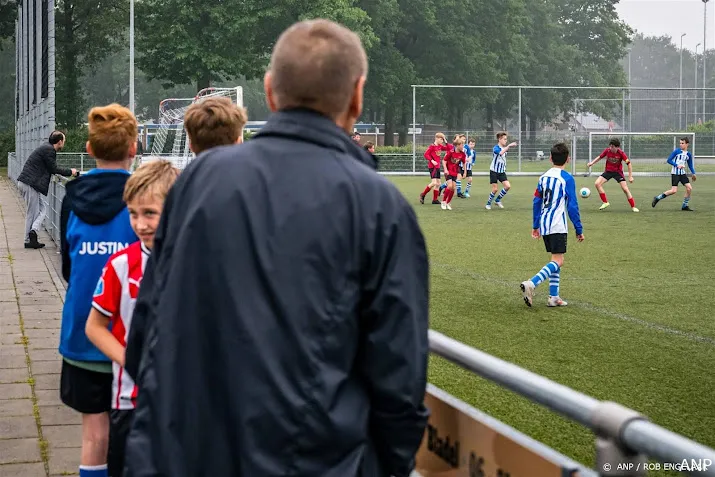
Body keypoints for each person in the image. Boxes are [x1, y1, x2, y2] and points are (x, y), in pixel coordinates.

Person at [123, 19, 430, 477]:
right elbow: (399, 380)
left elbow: (146, 333)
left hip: (178, 454)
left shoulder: (197, 182)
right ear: (357, 95)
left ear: (269, 91)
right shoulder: (380, 207)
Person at [59, 104, 140, 477]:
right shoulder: (144, 202)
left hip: (81, 334)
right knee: (132, 436)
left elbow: (67, 267)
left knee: (94, 435)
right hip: (131, 341)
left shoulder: (72, 198)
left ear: (89, 149)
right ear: (134, 149)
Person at [85, 160, 179, 477]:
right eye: (133, 214)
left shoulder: (194, 262)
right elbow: (95, 327)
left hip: (182, 402)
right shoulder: (120, 265)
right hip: (130, 400)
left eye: (150, 213)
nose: (140, 224)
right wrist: (131, 359)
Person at [521, 143, 584, 308]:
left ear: (550, 158)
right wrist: (579, 229)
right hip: (557, 224)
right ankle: (532, 283)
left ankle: (554, 297)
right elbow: (572, 206)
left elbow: (536, 201)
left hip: (544, 222)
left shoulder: (543, 177)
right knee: (558, 260)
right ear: (568, 159)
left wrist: (535, 225)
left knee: (557, 258)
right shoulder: (567, 178)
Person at [16, 131, 78, 248]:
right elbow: (53, 168)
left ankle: (32, 233)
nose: (64, 143)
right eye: (64, 141)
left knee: (42, 210)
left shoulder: (46, 148)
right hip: (30, 184)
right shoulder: (49, 150)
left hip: (28, 183)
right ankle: (29, 239)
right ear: (59, 142)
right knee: (33, 212)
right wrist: (71, 172)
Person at [586, 138, 639, 212]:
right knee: (597, 183)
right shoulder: (607, 151)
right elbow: (600, 157)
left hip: (618, 172)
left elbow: (629, 164)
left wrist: (630, 176)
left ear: (617, 147)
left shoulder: (621, 153)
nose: (611, 148)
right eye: (610, 146)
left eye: (612, 147)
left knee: (625, 189)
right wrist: (592, 163)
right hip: (608, 171)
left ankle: (633, 207)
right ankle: (605, 202)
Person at [652, 137, 697, 211]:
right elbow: (669, 160)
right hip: (675, 173)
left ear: (687, 144)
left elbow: (690, 165)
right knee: (673, 191)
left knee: (689, 188)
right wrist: (677, 165)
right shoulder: (676, 151)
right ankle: (657, 198)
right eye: (680, 143)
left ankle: (684, 206)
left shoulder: (688, 154)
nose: (681, 145)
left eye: (682, 143)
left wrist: (694, 173)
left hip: (682, 174)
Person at [486, 132, 517, 210]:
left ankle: (497, 200)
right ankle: (488, 203)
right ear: (499, 139)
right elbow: (500, 153)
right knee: (495, 189)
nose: (506, 141)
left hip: (501, 171)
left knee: (507, 186)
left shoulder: (505, 148)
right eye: (504, 139)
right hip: (494, 171)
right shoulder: (496, 148)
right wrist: (509, 146)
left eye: (506, 139)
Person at [419, 132, 448, 204]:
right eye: (441, 139)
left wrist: (445, 140)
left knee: (438, 183)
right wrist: (432, 161)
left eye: (442, 140)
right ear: (436, 139)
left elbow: (448, 148)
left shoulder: (440, 146)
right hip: (432, 167)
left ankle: (434, 200)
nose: (442, 141)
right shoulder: (432, 146)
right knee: (434, 182)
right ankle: (423, 194)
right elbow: (426, 154)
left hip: (437, 167)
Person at [441, 136, 466, 210]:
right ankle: (443, 202)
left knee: (453, 188)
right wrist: (445, 169)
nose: (463, 146)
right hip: (448, 171)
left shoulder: (462, 154)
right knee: (449, 186)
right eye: (462, 145)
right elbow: (444, 161)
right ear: (457, 145)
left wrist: (465, 172)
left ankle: (448, 202)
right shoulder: (451, 152)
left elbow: (464, 163)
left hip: (455, 172)